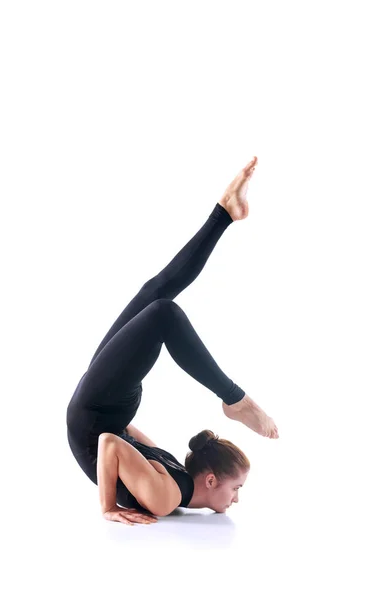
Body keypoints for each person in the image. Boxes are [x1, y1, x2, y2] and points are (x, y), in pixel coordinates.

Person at [66, 156, 279, 525]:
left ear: (209, 480)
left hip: (97, 412)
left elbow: (110, 443)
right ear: (210, 478)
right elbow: (120, 439)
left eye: (237, 488)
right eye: (237, 488)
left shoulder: (168, 495)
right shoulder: (171, 487)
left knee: (163, 312)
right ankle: (225, 212)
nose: (237, 498)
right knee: (157, 295)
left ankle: (236, 399)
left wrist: (109, 505)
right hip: (102, 409)